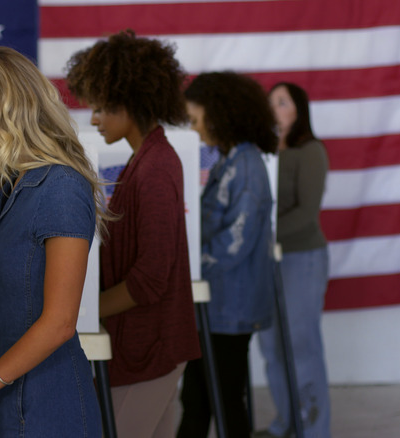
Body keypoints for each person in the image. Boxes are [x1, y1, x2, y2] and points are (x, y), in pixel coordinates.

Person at [0, 46, 107, 437]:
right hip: (7, 399)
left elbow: (59, 324)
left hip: (49, 407)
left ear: (3, 114)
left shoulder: (62, 186)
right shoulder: (12, 187)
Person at [65, 30, 201, 437]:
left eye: (102, 107)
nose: (92, 118)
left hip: (151, 346)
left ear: (130, 100)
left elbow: (151, 277)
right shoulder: (146, 161)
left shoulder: (156, 167)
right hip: (149, 344)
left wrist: (78, 314)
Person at [177, 72, 278, 438]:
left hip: (230, 307)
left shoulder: (246, 166)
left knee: (222, 400)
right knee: (200, 398)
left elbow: (235, 242)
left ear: (220, 115)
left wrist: (185, 266)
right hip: (217, 305)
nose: (195, 130)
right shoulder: (230, 160)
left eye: (196, 120)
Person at [254, 82, 331, 438]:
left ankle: (314, 430)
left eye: (282, 102)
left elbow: (307, 212)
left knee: (301, 344)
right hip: (266, 260)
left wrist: (264, 235)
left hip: (302, 258)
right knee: (271, 346)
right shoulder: (262, 152)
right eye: (270, 102)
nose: (274, 108)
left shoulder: (310, 151)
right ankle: (287, 422)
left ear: (298, 110)